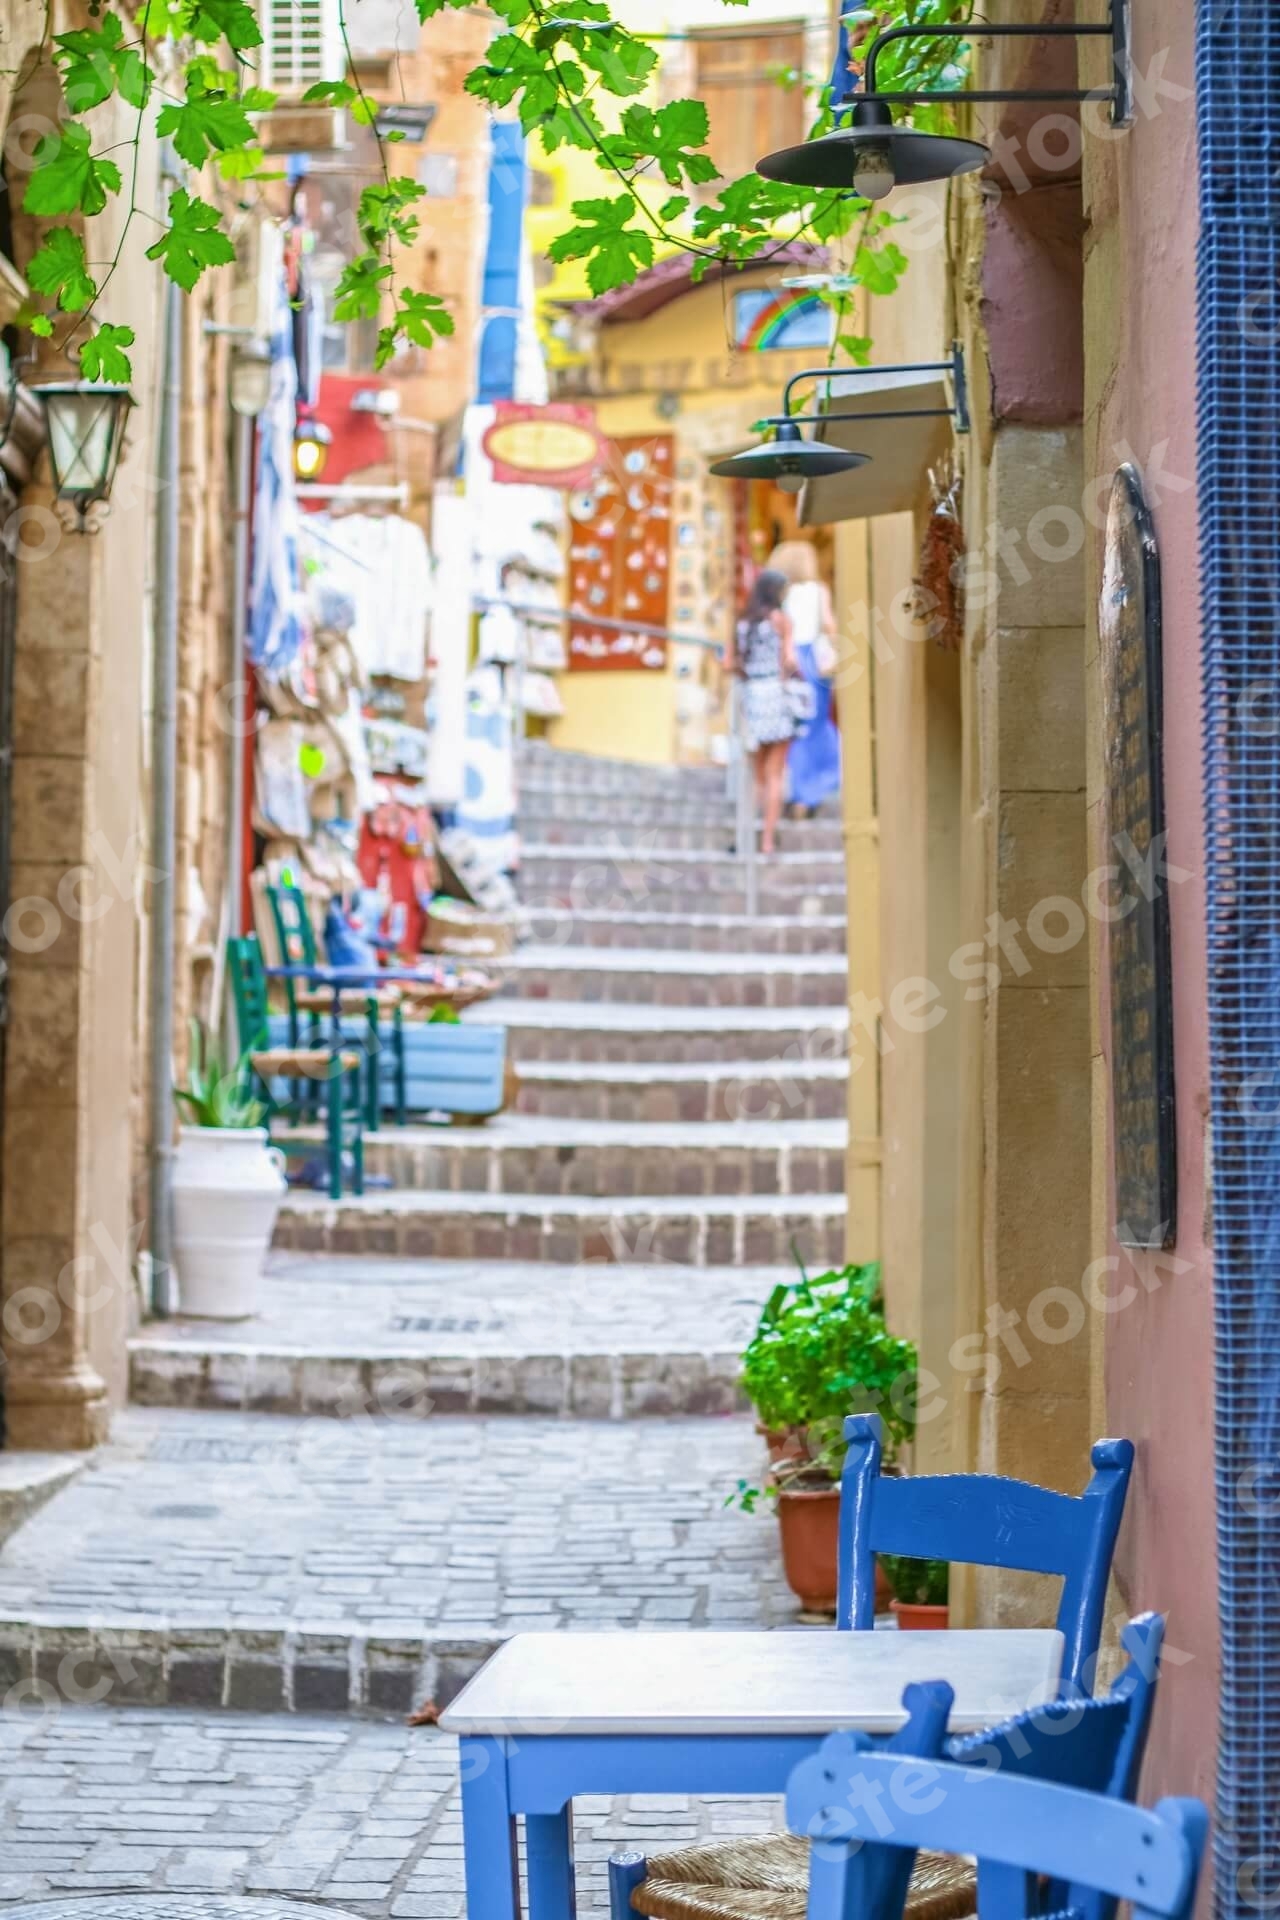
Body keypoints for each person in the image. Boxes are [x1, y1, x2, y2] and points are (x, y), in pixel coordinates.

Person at [726, 568, 800, 856]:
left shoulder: (742, 623)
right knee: (775, 774)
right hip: (776, 696)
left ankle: (745, 837)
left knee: (756, 774)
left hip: (752, 698)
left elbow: (729, 663)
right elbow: (790, 660)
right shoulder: (781, 621)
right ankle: (767, 840)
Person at [770, 539, 841, 816]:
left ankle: (800, 792)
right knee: (817, 724)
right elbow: (829, 624)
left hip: (789, 660)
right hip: (813, 658)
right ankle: (813, 789)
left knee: (795, 729)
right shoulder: (818, 591)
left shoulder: (782, 593)